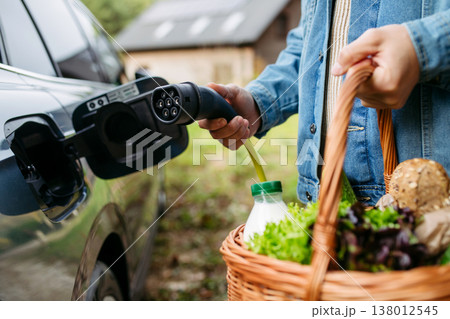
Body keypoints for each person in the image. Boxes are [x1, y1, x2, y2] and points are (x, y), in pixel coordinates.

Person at [198, 1, 450, 206]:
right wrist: (258, 101)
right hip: (323, 202)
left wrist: (422, 48)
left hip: (429, 209)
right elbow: (307, 49)